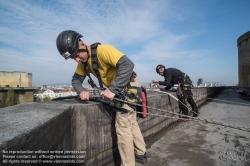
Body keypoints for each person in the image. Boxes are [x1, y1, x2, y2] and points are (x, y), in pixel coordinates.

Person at [56, 30, 147, 166]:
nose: (77, 59)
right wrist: (81, 91)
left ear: (82, 44)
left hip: (128, 86)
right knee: (131, 122)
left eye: (77, 55)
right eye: (73, 58)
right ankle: (141, 153)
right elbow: (76, 80)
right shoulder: (84, 62)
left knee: (123, 127)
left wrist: (112, 89)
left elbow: (128, 65)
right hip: (120, 88)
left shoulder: (104, 50)